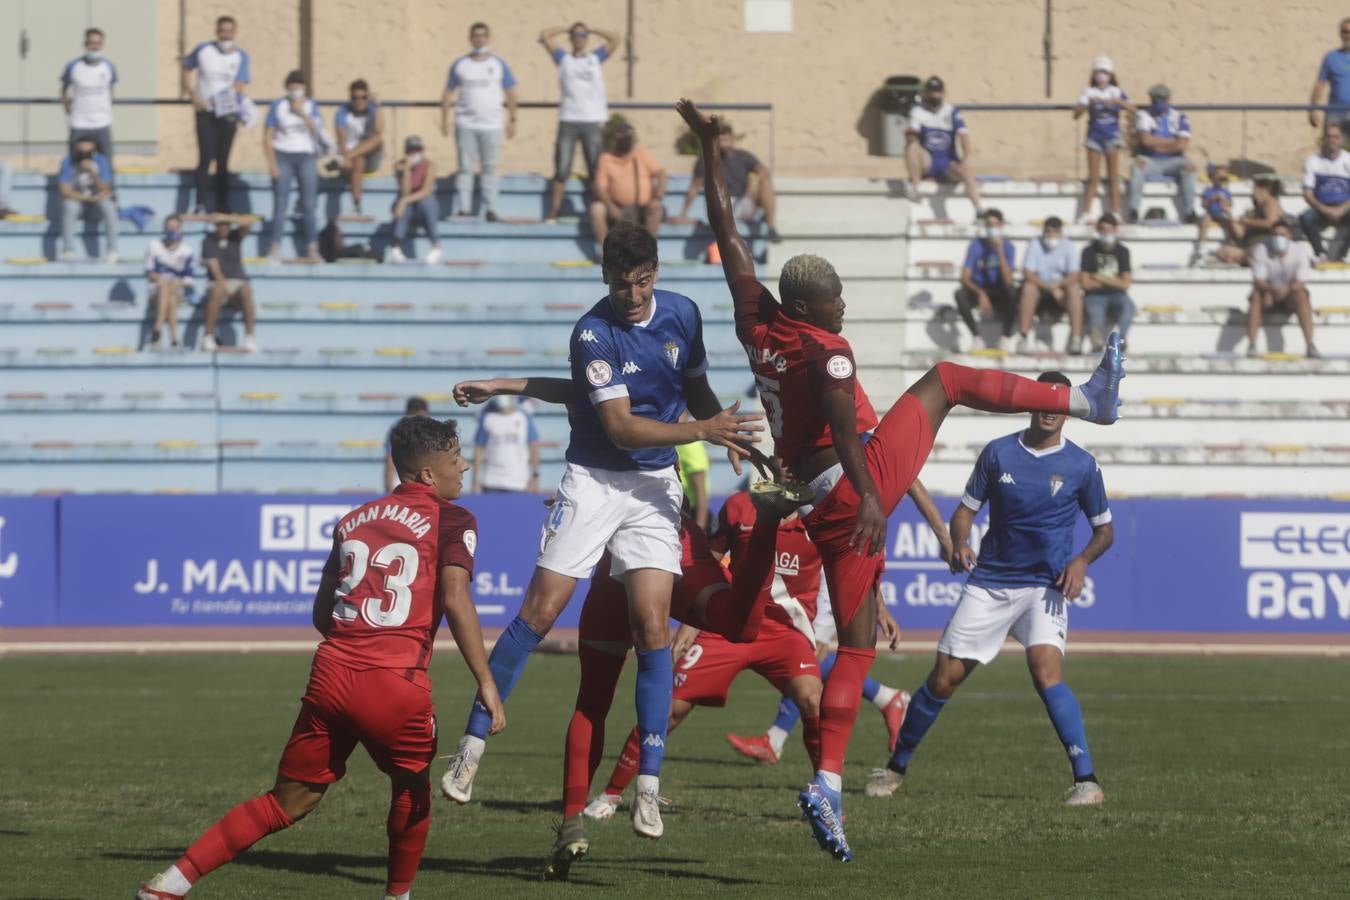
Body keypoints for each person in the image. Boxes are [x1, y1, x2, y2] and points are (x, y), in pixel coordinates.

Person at [681, 96, 1124, 862]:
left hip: (811, 497)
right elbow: (848, 427)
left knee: (853, 651)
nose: (843, 302)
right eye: (835, 297)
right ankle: (1085, 400)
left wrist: (711, 150)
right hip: (849, 484)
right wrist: (879, 497)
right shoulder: (831, 347)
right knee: (949, 378)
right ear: (813, 306)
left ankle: (828, 785)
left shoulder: (758, 320)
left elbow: (728, 232)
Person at [439, 223, 764, 846]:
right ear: (606, 278)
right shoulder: (591, 331)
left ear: (657, 273)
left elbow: (691, 386)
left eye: (644, 281)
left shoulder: (683, 314)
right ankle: (472, 745)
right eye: (623, 283)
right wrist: (705, 432)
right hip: (593, 480)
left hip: (653, 491)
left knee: (651, 627)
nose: (635, 293)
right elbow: (616, 425)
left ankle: (647, 786)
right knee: (541, 610)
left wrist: (723, 426)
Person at [135, 416, 505, 900]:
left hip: (331, 674)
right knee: (412, 791)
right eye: (456, 460)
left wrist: (356, 648)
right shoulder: (454, 520)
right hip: (396, 684)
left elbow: (321, 611)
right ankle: (398, 896)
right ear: (429, 475)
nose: (466, 467)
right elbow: (456, 599)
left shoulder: (353, 519)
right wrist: (487, 681)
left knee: (288, 801)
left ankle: (169, 884)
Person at [865, 372, 1113, 808]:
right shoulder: (999, 453)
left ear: (1069, 411)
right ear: (1033, 403)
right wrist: (959, 542)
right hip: (991, 584)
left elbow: (1104, 532)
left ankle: (1087, 781)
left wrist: (1081, 560)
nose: (1051, 410)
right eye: (1045, 400)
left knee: (1046, 673)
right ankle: (895, 768)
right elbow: (965, 513)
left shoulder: (1082, 465)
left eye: (1060, 404)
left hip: (1044, 587)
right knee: (943, 679)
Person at [539, 21, 620, 224]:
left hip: (591, 120)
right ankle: (554, 211)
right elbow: (545, 35)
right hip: (568, 118)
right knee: (562, 168)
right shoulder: (564, 60)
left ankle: (601, 208)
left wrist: (592, 29)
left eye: (582, 35)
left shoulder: (594, 58)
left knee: (595, 168)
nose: (579, 38)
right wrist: (566, 28)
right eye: (576, 35)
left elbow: (615, 39)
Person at [441, 22, 518, 221]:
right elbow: (448, 92)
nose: (479, 39)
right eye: (476, 35)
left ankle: (490, 208)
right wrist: (444, 119)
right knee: (465, 167)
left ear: (488, 38)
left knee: (490, 167)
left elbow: (510, 92)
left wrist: (512, 119)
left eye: (483, 35)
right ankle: (464, 209)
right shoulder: (460, 64)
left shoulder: (498, 64)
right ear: (470, 38)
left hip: (491, 124)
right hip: (466, 124)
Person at [182, 16, 251, 214]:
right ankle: (200, 203)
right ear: (217, 31)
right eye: (222, 30)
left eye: (229, 31)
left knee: (223, 160)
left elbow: (240, 84)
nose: (226, 34)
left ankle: (222, 204)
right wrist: (193, 95)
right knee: (205, 159)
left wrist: (222, 101)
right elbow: (187, 68)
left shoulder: (241, 56)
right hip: (205, 112)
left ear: (235, 32)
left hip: (227, 113)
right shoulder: (204, 49)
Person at [263, 70, 330, 263]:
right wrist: (272, 163)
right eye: (292, 88)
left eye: (299, 88)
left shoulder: (311, 106)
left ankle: (312, 247)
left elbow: (317, 131)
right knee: (280, 204)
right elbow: (268, 136)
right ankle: (275, 247)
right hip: (282, 154)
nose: (295, 91)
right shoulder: (278, 105)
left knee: (309, 204)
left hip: (306, 155)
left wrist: (302, 112)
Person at [676, 122, 782, 241]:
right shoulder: (706, 160)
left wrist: (754, 181)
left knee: (765, 182)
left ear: (732, 139)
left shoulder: (743, 156)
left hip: (743, 202)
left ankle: (771, 228)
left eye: (726, 138)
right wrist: (683, 214)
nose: (723, 142)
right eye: (720, 139)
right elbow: (694, 187)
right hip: (720, 206)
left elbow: (764, 171)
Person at [902, 76, 982, 212]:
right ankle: (916, 187)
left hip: (947, 162)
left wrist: (966, 158)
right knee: (911, 147)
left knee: (966, 171)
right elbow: (912, 137)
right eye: (931, 92)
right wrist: (910, 136)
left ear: (943, 94)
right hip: (928, 162)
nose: (935, 95)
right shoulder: (917, 111)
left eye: (937, 92)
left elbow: (964, 136)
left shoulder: (951, 111)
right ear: (925, 93)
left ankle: (979, 208)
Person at [1126, 84, 1197, 223]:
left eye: (1162, 99)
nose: (1159, 102)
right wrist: (1172, 142)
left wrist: (1157, 145)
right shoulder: (1143, 115)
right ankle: (1134, 209)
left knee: (1190, 167)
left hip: (1174, 160)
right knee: (1137, 167)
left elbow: (1182, 144)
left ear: (1169, 99)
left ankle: (1190, 211)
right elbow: (1145, 141)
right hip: (1150, 160)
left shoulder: (1180, 117)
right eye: (1156, 99)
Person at [1248, 222, 1319, 359]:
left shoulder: (1299, 251)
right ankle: (1251, 344)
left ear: (1289, 236)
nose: (1278, 238)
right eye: (1275, 235)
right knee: (1256, 295)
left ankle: (1310, 344)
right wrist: (1271, 290)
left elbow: (1301, 281)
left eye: (1282, 234)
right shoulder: (1261, 250)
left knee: (1302, 295)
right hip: (1269, 294)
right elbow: (1259, 280)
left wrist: (1285, 289)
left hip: (1290, 296)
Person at [589, 122, 666, 248]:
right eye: (621, 137)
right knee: (596, 209)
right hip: (616, 208)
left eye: (627, 136)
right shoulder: (606, 158)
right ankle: (605, 253)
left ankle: (649, 250)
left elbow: (661, 173)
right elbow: (599, 186)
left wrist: (659, 194)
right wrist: (610, 206)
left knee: (656, 206)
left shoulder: (643, 154)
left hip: (643, 207)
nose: (625, 140)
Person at [1073, 56, 1131, 221]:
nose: (1101, 76)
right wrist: (1087, 104)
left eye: (1104, 72)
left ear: (1111, 74)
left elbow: (1132, 107)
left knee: (1113, 176)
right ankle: (1086, 213)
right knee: (1093, 177)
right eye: (1099, 72)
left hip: (1111, 137)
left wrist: (1117, 101)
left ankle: (1116, 211)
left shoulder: (1116, 91)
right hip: (1094, 137)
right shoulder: (1089, 91)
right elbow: (1076, 114)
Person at [1017, 216, 1083, 354]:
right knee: (1029, 288)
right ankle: (1023, 336)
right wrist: (1049, 287)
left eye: (1054, 232)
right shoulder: (1035, 243)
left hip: (1061, 291)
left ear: (1060, 233)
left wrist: (1057, 286)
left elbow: (1074, 275)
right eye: (1048, 231)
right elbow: (1028, 272)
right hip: (1041, 289)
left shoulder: (1068, 245)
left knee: (1074, 290)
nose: (1050, 235)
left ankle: (1076, 338)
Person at [954, 208, 1016, 351]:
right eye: (989, 224)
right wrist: (981, 293)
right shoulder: (976, 245)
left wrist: (999, 251)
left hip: (1000, 290)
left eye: (996, 225)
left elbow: (1008, 281)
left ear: (1001, 226)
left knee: (1013, 292)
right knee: (960, 294)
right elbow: (965, 277)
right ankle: (977, 337)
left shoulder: (1008, 247)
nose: (992, 228)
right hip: (980, 289)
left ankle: (1005, 337)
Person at [201, 213, 257, 352]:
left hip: (237, 282)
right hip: (218, 283)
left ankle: (250, 337)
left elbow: (249, 222)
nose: (223, 227)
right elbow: (214, 269)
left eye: (226, 224)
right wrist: (225, 288)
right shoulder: (209, 240)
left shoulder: (235, 236)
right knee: (218, 289)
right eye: (220, 224)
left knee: (246, 290)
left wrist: (227, 218)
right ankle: (208, 336)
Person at [58, 135, 118, 262]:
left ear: (94, 147)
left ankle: (112, 250)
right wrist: (86, 198)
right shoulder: (68, 161)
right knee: (69, 207)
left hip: (98, 199)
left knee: (109, 207)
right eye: (81, 145)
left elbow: (105, 188)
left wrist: (92, 172)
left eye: (88, 145)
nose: (84, 148)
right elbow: (65, 190)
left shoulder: (101, 161)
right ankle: (68, 250)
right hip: (79, 199)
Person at [61, 28, 117, 163]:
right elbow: (63, 89)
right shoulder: (73, 66)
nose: (95, 46)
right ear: (85, 44)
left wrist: (108, 107)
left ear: (102, 45)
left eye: (98, 43)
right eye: (91, 43)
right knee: (74, 164)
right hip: (79, 123)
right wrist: (67, 109)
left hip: (102, 123)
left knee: (106, 165)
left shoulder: (108, 66)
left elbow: (112, 88)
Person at [1080, 214, 1136, 348]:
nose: (1106, 233)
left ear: (1115, 230)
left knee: (1129, 307)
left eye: (1109, 229)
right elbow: (1085, 284)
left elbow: (1126, 283)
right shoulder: (1088, 251)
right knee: (1095, 312)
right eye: (1103, 229)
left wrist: (1100, 277)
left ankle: (1121, 339)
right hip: (1094, 296)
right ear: (1098, 231)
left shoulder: (1122, 251)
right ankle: (1096, 341)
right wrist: (1114, 281)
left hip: (1117, 295)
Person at [386, 135, 443, 265]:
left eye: (417, 150)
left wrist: (405, 201)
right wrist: (406, 171)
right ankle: (395, 247)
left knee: (427, 202)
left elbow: (426, 190)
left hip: (422, 204)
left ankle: (436, 245)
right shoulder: (399, 166)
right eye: (411, 150)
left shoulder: (430, 165)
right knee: (403, 205)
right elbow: (404, 191)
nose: (414, 153)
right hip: (409, 206)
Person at [1299, 122, 1350, 262]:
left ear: (1342, 140)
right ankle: (1320, 254)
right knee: (1306, 218)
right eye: (1328, 136)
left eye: (1336, 136)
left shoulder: (1348, 160)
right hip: (1321, 207)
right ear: (1324, 139)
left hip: (1345, 207)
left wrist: (1341, 209)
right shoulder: (1313, 161)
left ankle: (1340, 255)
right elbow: (1307, 194)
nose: (1332, 140)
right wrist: (1326, 209)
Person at [143, 215, 195, 351]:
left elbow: (189, 279)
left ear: (180, 229)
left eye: (175, 227)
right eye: (169, 227)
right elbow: (149, 273)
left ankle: (157, 331)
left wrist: (176, 283)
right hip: (156, 290)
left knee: (170, 290)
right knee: (166, 289)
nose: (172, 230)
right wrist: (162, 280)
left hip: (176, 290)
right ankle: (174, 340)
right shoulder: (154, 245)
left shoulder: (187, 251)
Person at [472, 394, 541, 493]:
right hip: (491, 481)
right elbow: (478, 450)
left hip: (518, 482)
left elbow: (534, 447)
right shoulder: (487, 418)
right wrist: (475, 480)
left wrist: (535, 476)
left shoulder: (523, 418)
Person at [334, 79, 384, 215]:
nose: (359, 101)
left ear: (367, 97)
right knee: (358, 161)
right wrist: (347, 156)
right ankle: (356, 204)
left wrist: (378, 106)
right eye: (355, 98)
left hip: (370, 156)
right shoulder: (342, 113)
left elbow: (379, 131)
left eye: (363, 97)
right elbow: (342, 140)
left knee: (377, 139)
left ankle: (342, 160)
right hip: (352, 159)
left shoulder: (373, 110)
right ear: (350, 98)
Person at [1216, 177, 1289, 265]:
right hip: (1249, 248)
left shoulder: (1270, 201)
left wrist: (1247, 221)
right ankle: (1241, 258)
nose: (1252, 193)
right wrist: (1229, 212)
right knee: (1222, 251)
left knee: (1244, 253)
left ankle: (1242, 258)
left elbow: (1272, 223)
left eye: (1254, 189)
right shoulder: (1254, 211)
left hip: (1266, 247)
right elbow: (1239, 234)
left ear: (1263, 189)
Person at [1309, 18, 1350, 132]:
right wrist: (1313, 108)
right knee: (1332, 149)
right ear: (1340, 34)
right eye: (1345, 32)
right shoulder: (1331, 57)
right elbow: (1320, 84)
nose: (1348, 35)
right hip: (1335, 114)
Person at [384, 397, 431, 491]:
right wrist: (389, 484)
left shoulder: (430, 430)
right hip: (403, 479)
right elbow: (390, 458)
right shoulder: (398, 431)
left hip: (426, 478)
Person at [1195, 163, 1237, 266]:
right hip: (1210, 213)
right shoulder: (1208, 190)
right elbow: (1203, 204)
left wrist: (1225, 203)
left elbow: (1230, 203)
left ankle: (1231, 247)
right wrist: (1212, 199)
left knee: (1231, 225)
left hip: (1221, 214)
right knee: (1205, 220)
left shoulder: (1226, 191)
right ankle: (1202, 247)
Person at [675, 428, 711, 531]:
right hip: (679, 510)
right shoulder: (673, 442)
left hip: (693, 513)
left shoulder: (690, 445)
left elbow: (701, 490)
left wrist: (699, 528)